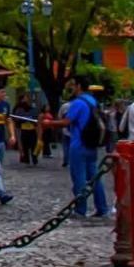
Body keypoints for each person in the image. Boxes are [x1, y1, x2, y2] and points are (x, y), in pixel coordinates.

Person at [51, 77, 110, 219]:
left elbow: (66, 121)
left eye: (72, 85)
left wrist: (48, 123)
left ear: (78, 86)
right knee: (95, 177)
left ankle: (80, 210)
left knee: (79, 178)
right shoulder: (92, 101)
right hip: (92, 144)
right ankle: (102, 208)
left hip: (79, 144)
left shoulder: (77, 103)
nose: (71, 88)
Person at [13, 95, 40, 165]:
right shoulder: (18, 108)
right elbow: (16, 119)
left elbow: (35, 117)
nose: (26, 99)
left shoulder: (31, 108)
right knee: (24, 145)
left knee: (33, 145)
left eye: (26, 98)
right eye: (25, 98)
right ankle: (26, 158)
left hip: (31, 129)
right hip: (23, 129)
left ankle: (33, 158)